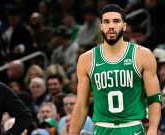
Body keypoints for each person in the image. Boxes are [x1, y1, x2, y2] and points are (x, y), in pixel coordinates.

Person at [69, 4, 162, 135]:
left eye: (116, 21)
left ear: (124, 26)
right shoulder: (86, 59)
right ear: (101, 26)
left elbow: (154, 99)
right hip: (102, 128)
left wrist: (152, 129)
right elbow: (81, 106)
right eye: (106, 22)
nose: (111, 26)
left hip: (133, 127)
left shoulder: (142, 55)